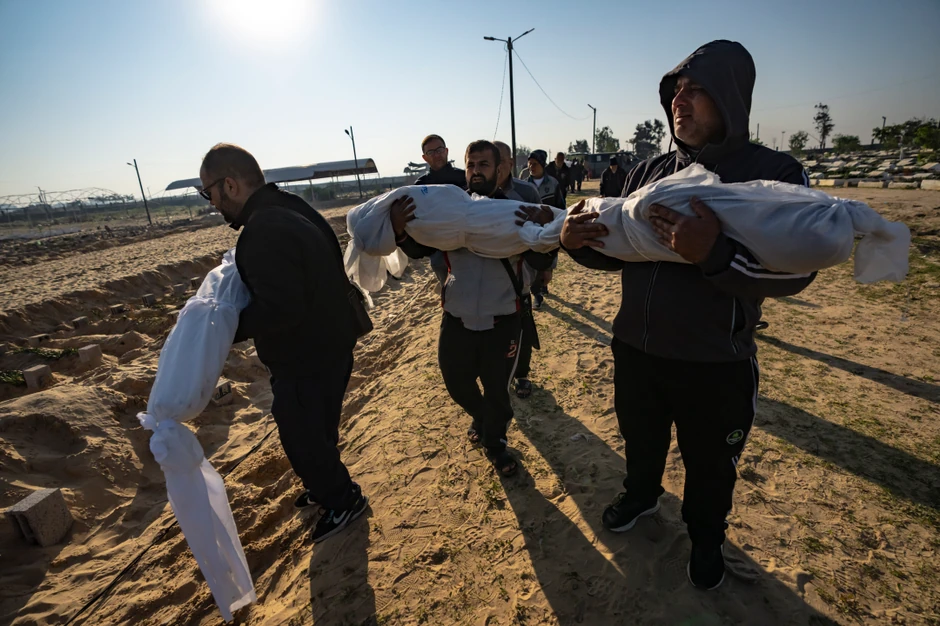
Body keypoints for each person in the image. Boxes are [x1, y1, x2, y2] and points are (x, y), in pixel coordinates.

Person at [560, 40, 815, 590]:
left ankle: (705, 539)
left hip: (715, 361)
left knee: (709, 468)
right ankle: (643, 494)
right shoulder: (649, 170)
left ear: (731, 98)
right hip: (635, 348)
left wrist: (714, 254)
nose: (682, 102)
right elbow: (617, 251)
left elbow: (797, 272)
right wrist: (576, 243)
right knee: (640, 438)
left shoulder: (771, 173)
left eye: (697, 90)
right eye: (676, 92)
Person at [199, 143, 368, 543]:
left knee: (299, 431)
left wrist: (227, 327)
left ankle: (343, 500)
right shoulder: (288, 205)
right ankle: (328, 483)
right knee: (318, 426)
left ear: (230, 184)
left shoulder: (261, 231)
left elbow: (281, 309)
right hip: (332, 340)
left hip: (306, 353)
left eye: (210, 193)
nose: (212, 204)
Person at [389, 140, 556, 476]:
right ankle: (481, 418)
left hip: (503, 319)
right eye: (471, 165)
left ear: (499, 169)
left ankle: (495, 444)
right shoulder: (451, 211)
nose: (476, 171)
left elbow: (541, 258)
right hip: (457, 316)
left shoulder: (516, 211)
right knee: (455, 381)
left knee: (497, 391)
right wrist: (399, 232)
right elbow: (422, 249)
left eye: (483, 164)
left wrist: (543, 230)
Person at [495, 141, 547, 399]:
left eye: (503, 160)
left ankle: (522, 374)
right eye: (494, 161)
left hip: (521, 277)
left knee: (523, 329)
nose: (499, 166)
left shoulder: (526, 193)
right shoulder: (472, 196)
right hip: (489, 281)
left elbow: (544, 232)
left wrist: (546, 271)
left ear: (510, 162)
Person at [414, 134, 467, 285]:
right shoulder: (420, 186)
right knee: (449, 288)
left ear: (446, 151)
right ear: (425, 158)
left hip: (466, 243)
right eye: (431, 152)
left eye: (439, 149)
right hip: (438, 251)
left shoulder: (464, 177)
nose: (436, 155)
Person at [524, 151, 565, 309]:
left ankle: (543, 284)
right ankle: (537, 294)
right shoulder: (524, 184)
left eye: (534, 164)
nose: (531, 167)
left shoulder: (553, 184)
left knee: (547, 261)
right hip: (530, 230)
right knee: (531, 261)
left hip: (549, 228)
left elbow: (561, 206)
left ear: (542, 165)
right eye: (529, 163)